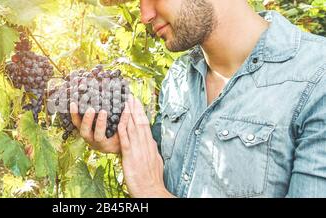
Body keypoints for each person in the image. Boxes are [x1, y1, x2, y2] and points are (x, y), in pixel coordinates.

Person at [70, 0, 326, 197]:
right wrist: (125, 144)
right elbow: (165, 169)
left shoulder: (317, 77)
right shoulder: (178, 77)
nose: (145, 14)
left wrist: (151, 192)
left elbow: (154, 187)